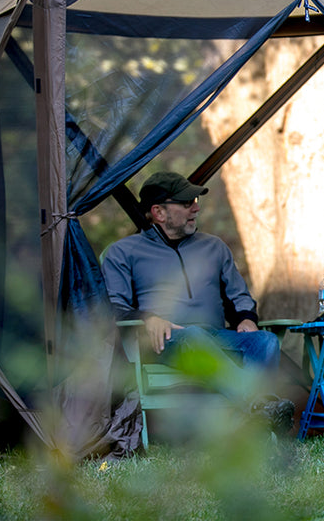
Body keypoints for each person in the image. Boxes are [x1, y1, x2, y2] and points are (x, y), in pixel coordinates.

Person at [102, 170, 292, 427]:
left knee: (266, 341)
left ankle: (255, 415)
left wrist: (246, 318)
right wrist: (147, 318)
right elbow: (114, 306)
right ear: (159, 212)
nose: (195, 209)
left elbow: (239, 296)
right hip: (163, 343)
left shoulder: (214, 247)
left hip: (215, 335)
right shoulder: (123, 252)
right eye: (185, 203)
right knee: (193, 336)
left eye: (195, 202)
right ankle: (260, 409)